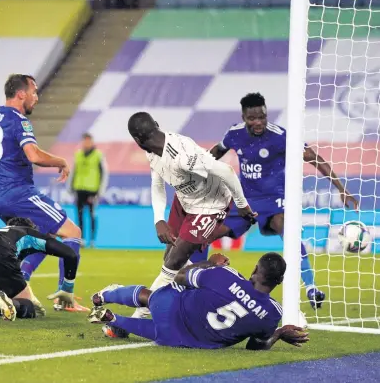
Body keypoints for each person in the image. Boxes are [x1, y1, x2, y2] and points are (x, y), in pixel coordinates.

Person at [207, 92, 359, 309]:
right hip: (245, 200)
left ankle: (311, 287)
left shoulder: (280, 136)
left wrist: (341, 188)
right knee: (207, 234)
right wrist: (199, 169)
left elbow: (314, 158)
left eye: (262, 117)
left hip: (274, 201)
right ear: (244, 117)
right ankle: (193, 274)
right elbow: (216, 151)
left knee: (288, 230)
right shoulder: (234, 133)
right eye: (252, 118)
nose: (258, 122)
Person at [124, 112, 257, 325]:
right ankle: (210, 273)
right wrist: (159, 219)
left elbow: (227, 171)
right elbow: (157, 184)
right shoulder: (152, 152)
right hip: (184, 199)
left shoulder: (182, 155)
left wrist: (242, 205)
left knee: (174, 261)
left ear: (137, 140)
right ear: (156, 125)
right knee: (170, 257)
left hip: (209, 204)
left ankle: (138, 319)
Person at [0, 74, 86, 312]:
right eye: (34, 92)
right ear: (21, 94)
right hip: (20, 194)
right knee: (72, 233)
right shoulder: (20, 121)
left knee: (43, 239)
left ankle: (20, 283)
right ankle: (65, 296)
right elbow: (34, 155)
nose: (36, 98)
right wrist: (61, 161)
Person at [89, 252, 309, 350]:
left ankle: (105, 296)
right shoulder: (272, 314)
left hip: (171, 308)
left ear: (254, 269)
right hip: (184, 340)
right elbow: (254, 346)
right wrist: (278, 333)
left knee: (154, 295)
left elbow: (181, 276)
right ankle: (114, 319)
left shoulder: (226, 275)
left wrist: (209, 262)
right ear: (280, 280)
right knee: (156, 329)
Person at [70, 133, 108, 247]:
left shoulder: (98, 155)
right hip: (79, 189)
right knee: (79, 215)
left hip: (92, 190)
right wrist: (70, 187)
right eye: (84, 141)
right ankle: (81, 240)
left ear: (92, 142)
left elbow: (104, 173)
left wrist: (100, 191)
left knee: (91, 215)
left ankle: (92, 240)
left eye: (88, 141)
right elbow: (74, 171)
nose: (86, 143)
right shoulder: (78, 154)